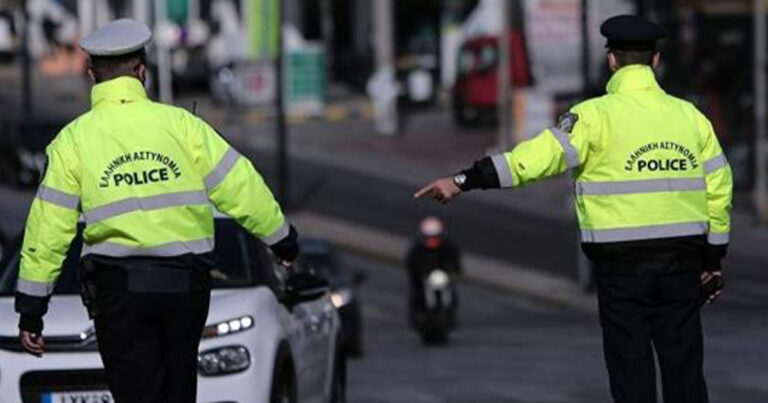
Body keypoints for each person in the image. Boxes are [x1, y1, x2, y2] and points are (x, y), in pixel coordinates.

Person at [416, 14, 731, 403]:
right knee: (684, 368)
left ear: (611, 60)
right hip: (681, 265)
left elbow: (530, 161)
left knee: (630, 369)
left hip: (620, 270)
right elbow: (720, 187)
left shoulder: (592, 117)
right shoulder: (690, 118)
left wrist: (463, 180)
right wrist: (713, 259)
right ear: (656, 60)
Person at [14, 19, 299, 403]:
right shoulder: (183, 126)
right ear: (142, 72)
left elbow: (48, 228)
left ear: (92, 74)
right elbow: (240, 185)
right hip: (185, 288)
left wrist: (33, 309)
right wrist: (281, 240)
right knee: (179, 390)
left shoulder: (73, 141)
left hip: (118, 293)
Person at [405, 217, 462, 325]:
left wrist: (454, 272)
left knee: (451, 291)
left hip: (442, 275)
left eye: (435, 237)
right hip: (423, 276)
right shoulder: (417, 248)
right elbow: (411, 263)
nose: (432, 241)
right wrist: (417, 273)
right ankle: (418, 313)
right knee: (416, 293)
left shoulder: (448, 246)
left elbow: (455, 261)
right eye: (429, 237)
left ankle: (450, 313)